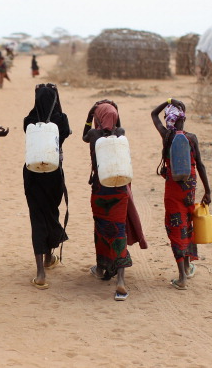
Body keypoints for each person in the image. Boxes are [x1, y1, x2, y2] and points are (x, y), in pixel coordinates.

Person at [82, 100, 146, 301]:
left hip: (101, 190)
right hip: (119, 190)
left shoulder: (93, 135)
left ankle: (103, 268)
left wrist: (89, 114)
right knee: (118, 230)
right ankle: (120, 281)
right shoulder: (121, 133)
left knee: (101, 230)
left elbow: (84, 135)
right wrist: (116, 114)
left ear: (98, 117)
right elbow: (117, 127)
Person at [151, 98, 211, 290]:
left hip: (172, 191)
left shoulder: (166, 136)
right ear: (184, 118)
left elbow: (153, 114)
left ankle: (182, 277)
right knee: (187, 223)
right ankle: (186, 266)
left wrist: (167, 101)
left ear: (169, 119)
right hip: (189, 190)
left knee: (175, 226)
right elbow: (200, 165)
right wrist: (208, 190)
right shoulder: (191, 138)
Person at [23, 83, 71, 290]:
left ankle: (41, 272)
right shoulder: (61, 120)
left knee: (37, 216)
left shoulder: (29, 120)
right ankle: (49, 257)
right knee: (52, 212)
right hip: (53, 174)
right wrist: (56, 98)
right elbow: (66, 133)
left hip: (32, 174)